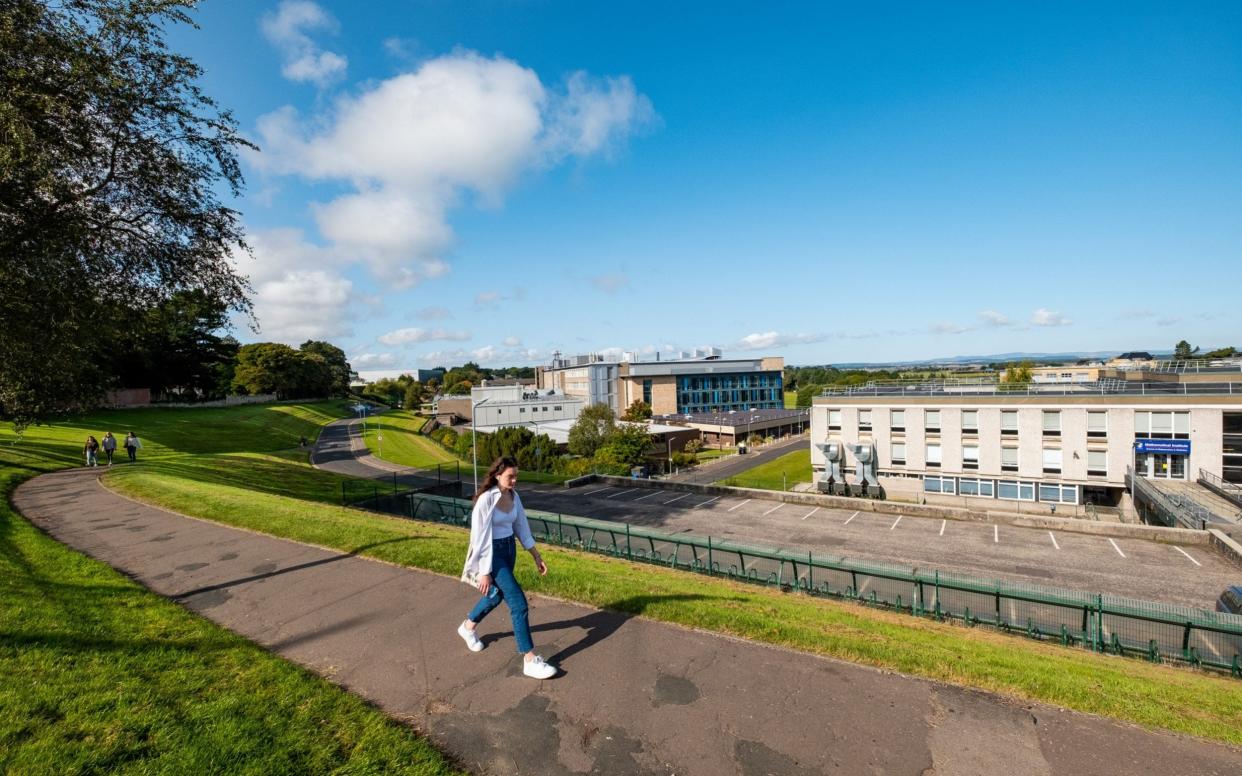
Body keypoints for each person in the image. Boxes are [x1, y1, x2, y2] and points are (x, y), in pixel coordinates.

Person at [458, 456, 557, 679]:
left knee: (495, 597)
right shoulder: (485, 500)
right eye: (510, 476)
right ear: (497, 475)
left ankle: (467, 627)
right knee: (519, 604)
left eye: (516, 477)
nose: (514, 481)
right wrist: (484, 572)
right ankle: (529, 660)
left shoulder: (514, 496)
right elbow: (478, 538)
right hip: (492, 555)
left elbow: (522, 526)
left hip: (509, 550)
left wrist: (536, 555)